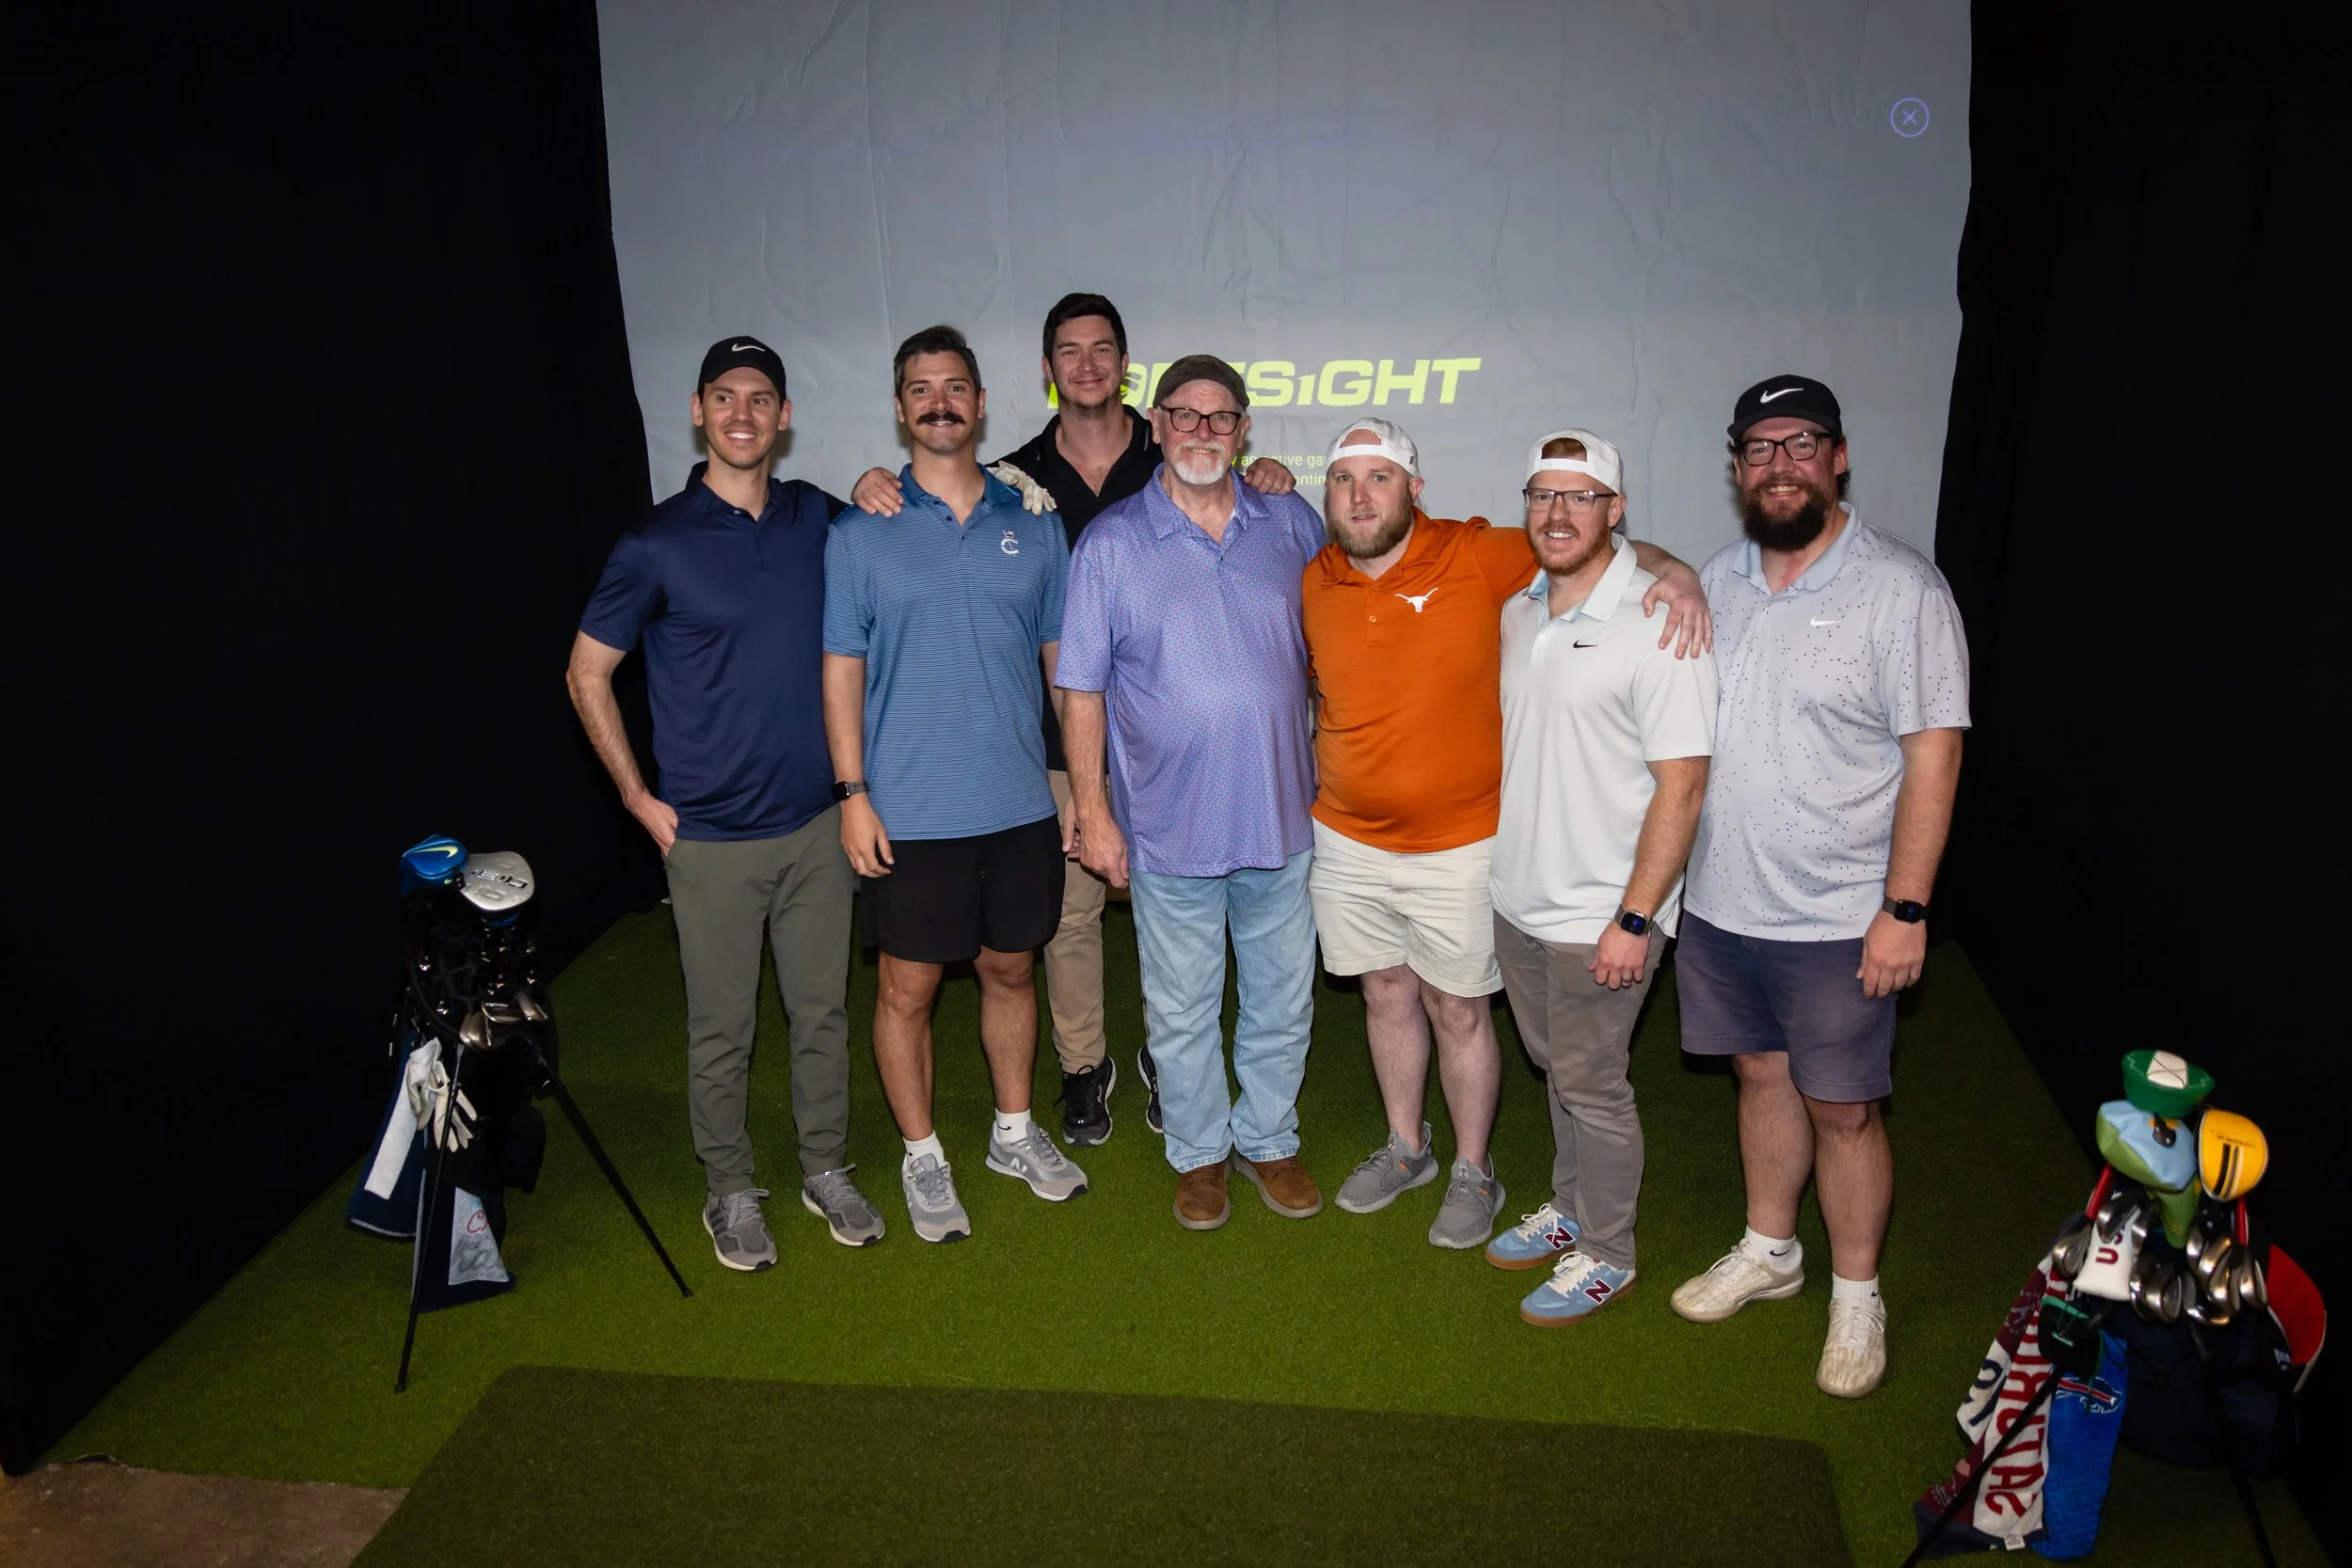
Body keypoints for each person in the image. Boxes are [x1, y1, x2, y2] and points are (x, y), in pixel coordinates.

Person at [848, 295, 1295, 1147]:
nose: (1086, 364)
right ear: (1046, 371)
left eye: (1102, 350)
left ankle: (1176, 1061)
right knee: (1072, 917)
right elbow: (931, 498)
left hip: (1177, 748)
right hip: (1066, 740)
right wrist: (875, 482)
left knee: (1188, 916)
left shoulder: (1175, 452)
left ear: (1126, 369)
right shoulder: (1014, 477)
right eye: (1068, 351)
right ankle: (1086, 1066)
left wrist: (1264, 468)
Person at [1303, 420, 1711, 1253]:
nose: (1359, 494)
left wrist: (1684, 575)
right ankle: (1407, 1146)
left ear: (1415, 489)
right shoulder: (1314, 574)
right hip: (1345, 838)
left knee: (1458, 1007)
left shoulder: (1480, 554)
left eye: (1379, 477)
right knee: (1384, 994)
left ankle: (1474, 1168)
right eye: (1343, 478)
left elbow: (1602, 548)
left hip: (1460, 843)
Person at [1668, 375, 1968, 1398]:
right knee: (1760, 1076)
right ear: (1737, 468)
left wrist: (1905, 907)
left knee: (1842, 1109)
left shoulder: (1901, 590)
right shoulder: (1722, 577)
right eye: (1757, 447)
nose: (1778, 463)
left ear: (1837, 457)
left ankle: (1854, 1294)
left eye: (1799, 443)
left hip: (1843, 915)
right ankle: (1770, 1249)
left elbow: (1933, 758)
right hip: (1720, 903)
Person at [567, 335, 882, 1273]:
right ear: (700, 412)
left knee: (821, 1012)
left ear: (784, 417)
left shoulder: (819, 519)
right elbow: (588, 674)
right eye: (725, 396)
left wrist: (872, 483)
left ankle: (826, 1166)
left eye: (761, 398)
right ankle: (729, 1191)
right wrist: (635, 795)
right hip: (707, 839)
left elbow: (888, 537)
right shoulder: (653, 545)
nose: (743, 412)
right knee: (722, 1028)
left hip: (819, 827)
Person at [821, 325, 1088, 1244]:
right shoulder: (859, 534)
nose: (939, 400)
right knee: (907, 989)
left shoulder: (1035, 524)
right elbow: (840, 669)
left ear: (980, 403)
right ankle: (922, 1150)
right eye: (920, 387)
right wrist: (852, 791)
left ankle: (1014, 1132)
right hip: (909, 809)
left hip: (1017, 802)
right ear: (901, 409)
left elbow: (1065, 672)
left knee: (1012, 967)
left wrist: (1081, 791)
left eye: (956, 385)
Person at [1055, 355, 1327, 1232]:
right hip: (1169, 827)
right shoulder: (1111, 545)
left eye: (1221, 418)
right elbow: (1083, 687)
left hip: (1284, 815)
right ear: (1158, 425)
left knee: (1283, 996)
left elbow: (1341, 645)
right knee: (1180, 1006)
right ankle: (1201, 1153)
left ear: (1244, 430)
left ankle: (1269, 1137)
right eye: (1186, 415)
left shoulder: (1291, 521)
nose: (1203, 432)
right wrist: (1093, 812)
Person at [1486, 428, 1716, 1324]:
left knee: (1592, 1083)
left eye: (1582, 497)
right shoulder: (1518, 610)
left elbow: (1684, 783)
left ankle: (1609, 1251)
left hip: (1603, 914)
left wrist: (1636, 915)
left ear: (1616, 511)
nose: (1558, 512)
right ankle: (1570, 1209)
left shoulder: (1659, 621)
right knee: (1557, 1067)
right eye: (1544, 495)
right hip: (1521, 897)